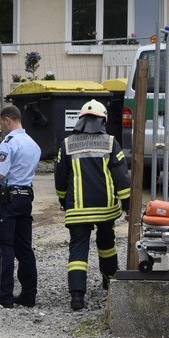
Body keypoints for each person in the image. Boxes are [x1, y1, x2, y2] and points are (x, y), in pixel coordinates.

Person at [54, 100, 131, 311]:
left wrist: (63, 200)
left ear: (80, 120)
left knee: (78, 250)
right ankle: (110, 282)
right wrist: (127, 205)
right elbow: (121, 177)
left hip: (78, 209)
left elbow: (60, 178)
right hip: (105, 209)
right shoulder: (110, 143)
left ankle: (77, 296)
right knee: (106, 245)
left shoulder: (67, 144)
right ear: (103, 120)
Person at [0, 105, 41, 309]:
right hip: (25, 198)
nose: (0, 127)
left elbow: (0, 173)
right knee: (25, 248)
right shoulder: (33, 144)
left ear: (7, 120)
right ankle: (28, 294)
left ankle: (4, 295)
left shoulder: (10, 142)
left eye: (0, 123)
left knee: (4, 246)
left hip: (8, 200)